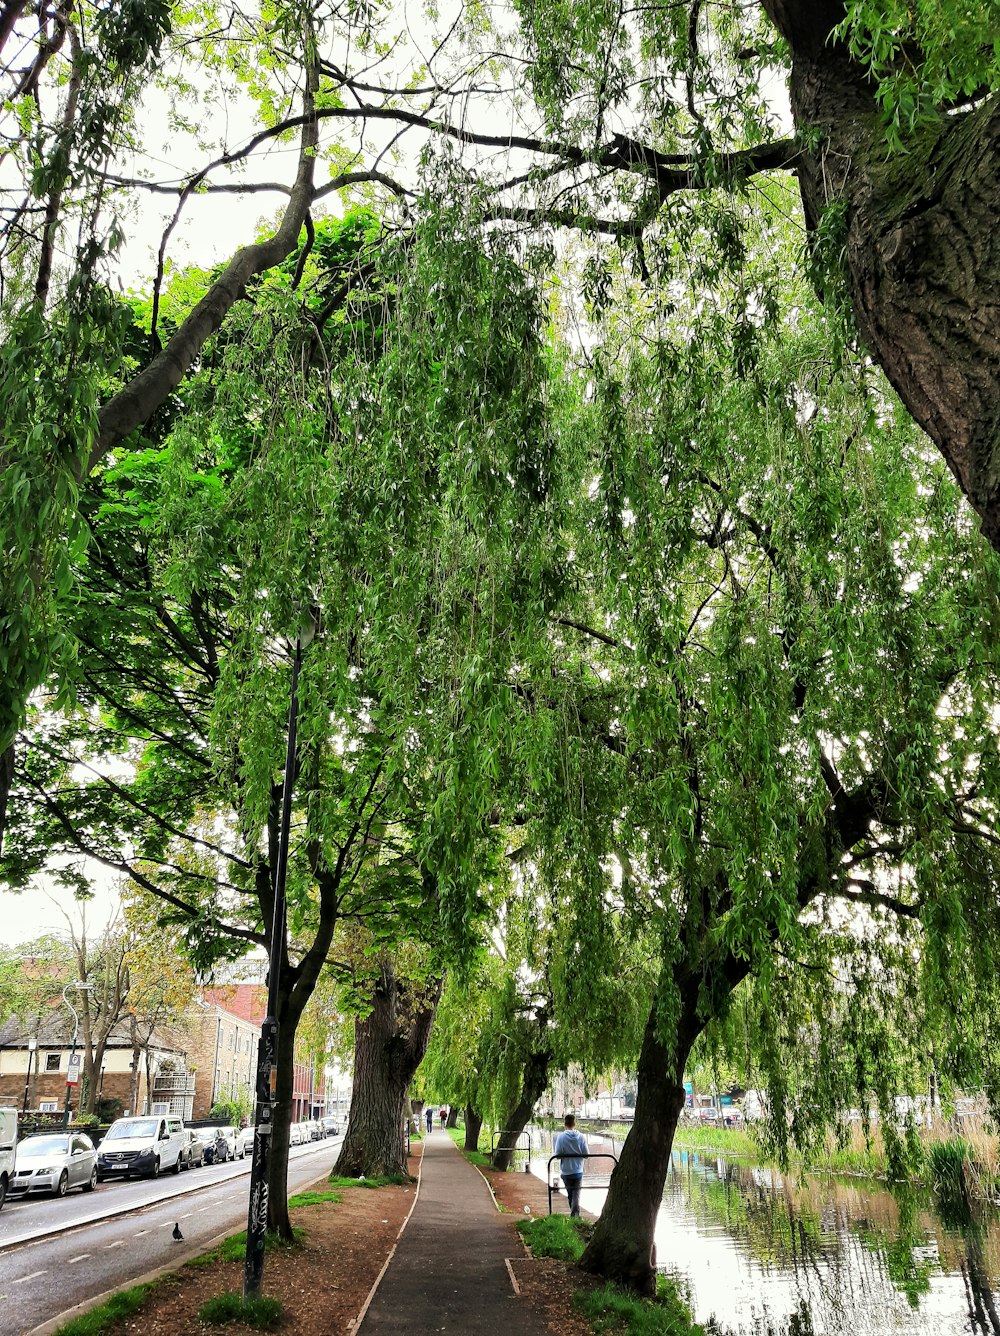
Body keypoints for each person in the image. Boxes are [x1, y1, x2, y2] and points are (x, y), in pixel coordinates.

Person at [553, 1113, 588, 1217]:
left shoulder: (561, 1137)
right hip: (578, 1171)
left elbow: (558, 1155)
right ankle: (575, 1216)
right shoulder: (581, 1137)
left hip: (566, 1171)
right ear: (575, 1123)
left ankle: (574, 1216)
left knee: (571, 1195)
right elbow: (586, 1154)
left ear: (565, 1124)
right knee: (576, 1194)